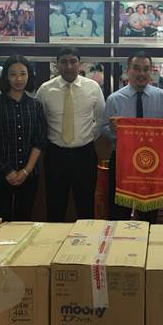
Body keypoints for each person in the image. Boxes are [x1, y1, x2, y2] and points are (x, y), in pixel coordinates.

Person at [102, 51, 163, 222]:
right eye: (136, 68)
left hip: (152, 163)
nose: (141, 73)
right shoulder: (114, 99)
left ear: (151, 71)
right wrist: (113, 129)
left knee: (149, 216)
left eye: (146, 69)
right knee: (118, 213)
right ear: (128, 70)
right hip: (122, 161)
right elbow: (103, 129)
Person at [36, 47, 105, 222]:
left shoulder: (93, 87)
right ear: (57, 65)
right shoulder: (45, 90)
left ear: (79, 64)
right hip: (55, 155)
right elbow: (39, 121)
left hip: (85, 155)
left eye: (73, 61)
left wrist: (87, 137)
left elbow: (100, 118)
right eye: (64, 62)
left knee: (86, 206)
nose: (69, 66)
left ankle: (86, 239)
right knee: (55, 206)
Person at [0, 55, 47, 221]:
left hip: (29, 175)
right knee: (1, 219)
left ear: (29, 76)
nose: (18, 79)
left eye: (23, 74)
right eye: (13, 74)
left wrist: (26, 171)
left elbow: (39, 140)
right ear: (6, 76)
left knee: (24, 219)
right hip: (0, 174)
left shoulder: (36, 105)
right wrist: (7, 171)